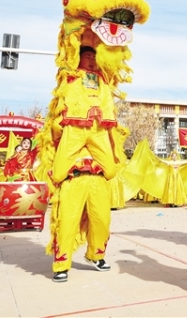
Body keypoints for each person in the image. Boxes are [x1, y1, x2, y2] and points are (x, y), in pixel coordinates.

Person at [47, 46, 120, 283]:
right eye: (86, 56)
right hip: (74, 163)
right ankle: (61, 265)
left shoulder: (103, 81)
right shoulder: (70, 76)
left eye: (93, 57)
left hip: (98, 152)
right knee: (67, 220)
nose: (90, 61)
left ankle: (95, 255)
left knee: (102, 219)